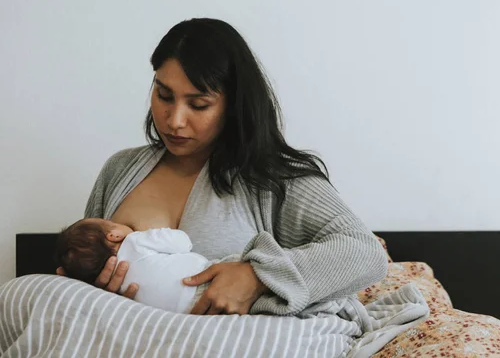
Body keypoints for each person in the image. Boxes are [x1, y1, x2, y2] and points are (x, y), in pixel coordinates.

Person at [57, 18, 388, 316]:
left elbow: (364, 252)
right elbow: (80, 274)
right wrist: (94, 288)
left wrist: (257, 277)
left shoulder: (275, 179)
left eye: (198, 104)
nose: (174, 120)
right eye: (164, 95)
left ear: (233, 105)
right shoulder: (119, 170)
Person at [55, 218, 227, 314]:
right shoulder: (134, 241)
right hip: (206, 280)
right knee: (235, 262)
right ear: (114, 235)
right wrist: (153, 232)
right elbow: (183, 242)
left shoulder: (119, 289)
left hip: (181, 314)